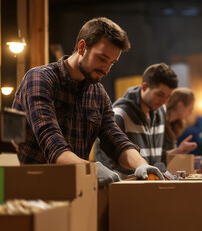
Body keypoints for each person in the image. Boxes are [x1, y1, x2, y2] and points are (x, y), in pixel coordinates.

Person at [12, 17, 164, 188]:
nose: (106, 69)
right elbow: (52, 142)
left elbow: (115, 139)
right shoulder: (40, 79)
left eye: (112, 63)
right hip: (29, 191)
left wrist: (141, 165)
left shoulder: (97, 92)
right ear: (83, 47)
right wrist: (91, 169)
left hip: (75, 190)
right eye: (102, 58)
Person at [95, 63, 196, 176]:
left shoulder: (161, 111)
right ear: (144, 87)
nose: (164, 101)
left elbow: (155, 156)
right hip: (129, 186)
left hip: (152, 182)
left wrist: (177, 152)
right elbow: (105, 161)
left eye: (168, 97)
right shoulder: (120, 114)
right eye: (159, 94)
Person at [162, 87, 197, 160]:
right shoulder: (159, 123)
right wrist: (178, 150)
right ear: (180, 105)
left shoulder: (175, 125)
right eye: (190, 109)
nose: (190, 113)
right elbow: (154, 156)